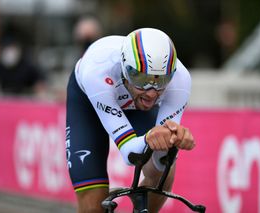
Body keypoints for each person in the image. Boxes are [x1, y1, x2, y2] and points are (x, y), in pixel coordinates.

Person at [66, 28, 196, 213]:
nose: (151, 92)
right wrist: (151, 138)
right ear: (126, 68)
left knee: (165, 174)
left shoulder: (180, 79)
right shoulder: (97, 72)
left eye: (161, 81)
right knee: (93, 205)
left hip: (135, 104)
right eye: (142, 78)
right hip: (88, 101)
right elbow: (130, 154)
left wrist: (172, 142)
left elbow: (158, 163)